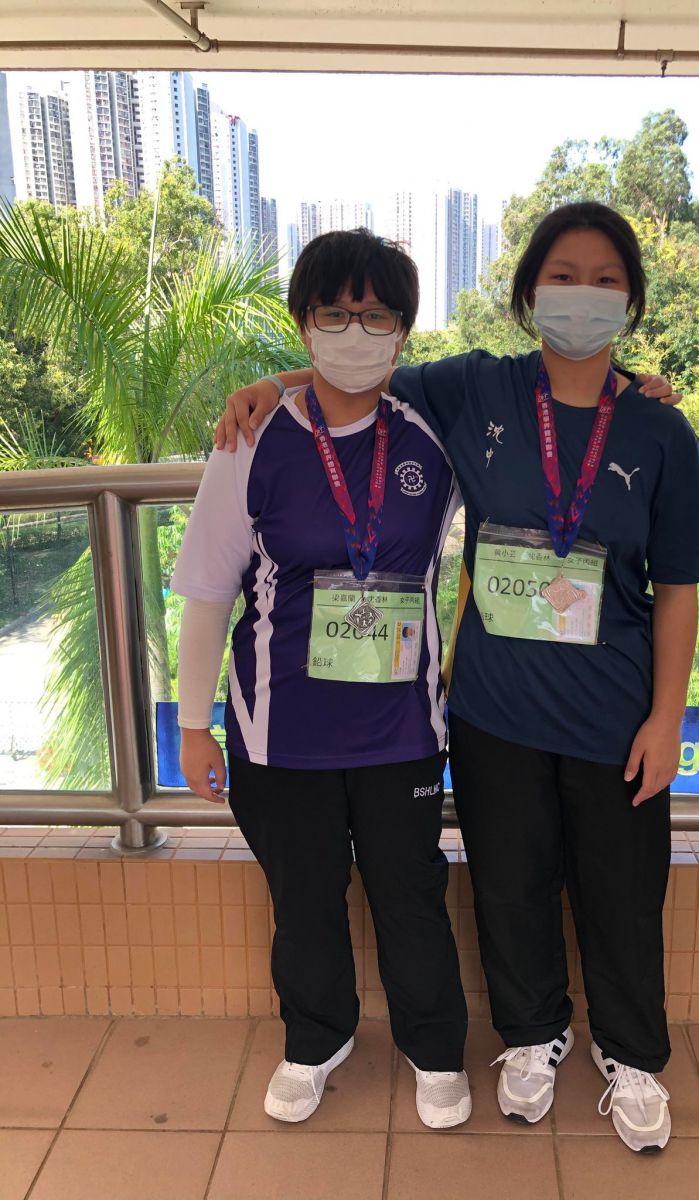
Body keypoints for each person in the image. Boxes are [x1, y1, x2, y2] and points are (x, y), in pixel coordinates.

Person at [216, 202, 699, 1153]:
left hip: (615, 714)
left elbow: (680, 589)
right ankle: (532, 1037)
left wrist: (667, 718)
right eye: (563, 276)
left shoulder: (661, 431)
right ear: (530, 292)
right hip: (493, 707)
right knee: (508, 886)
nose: (582, 295)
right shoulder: (477, 388)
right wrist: (267, 384)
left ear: (631, 301)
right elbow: (356, 370)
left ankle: (632, 1057)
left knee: (621, 895)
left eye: (606, 280)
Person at [173, 229, 471, 1130]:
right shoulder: (251, 439)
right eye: (334, 314)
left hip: (401, 730)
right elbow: (206, 591)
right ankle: (315, 1039)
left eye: (376, 315)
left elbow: (545, 402)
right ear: (303, 325)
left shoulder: (435, 434)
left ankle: (434, 1049)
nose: (355, 332)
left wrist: (634, 385)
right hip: (279, 730)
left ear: (404, 330)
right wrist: (193, 727)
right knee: (302, 901)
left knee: (410, 895)